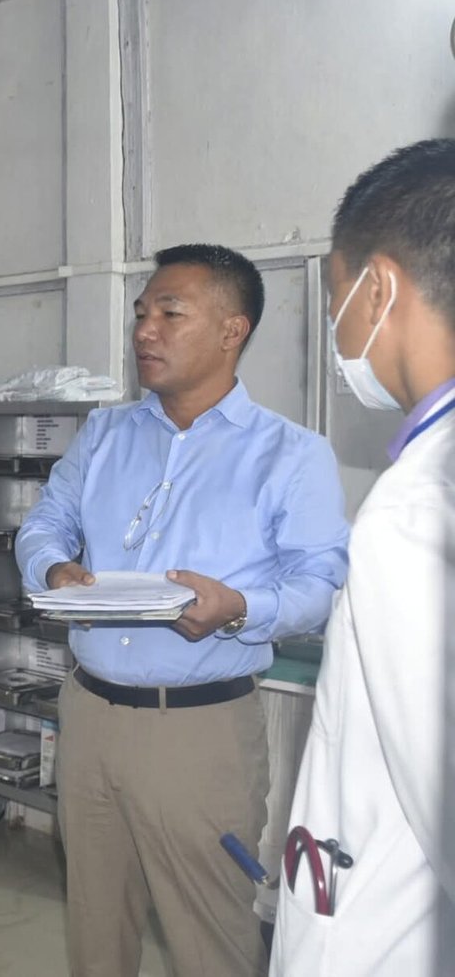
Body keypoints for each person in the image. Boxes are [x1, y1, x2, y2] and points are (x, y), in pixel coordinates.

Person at [15, 244, 351, 976]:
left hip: (200, 732)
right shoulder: (105, 433)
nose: (145, 330)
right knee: (96, 932)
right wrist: (53, 566)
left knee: (211, 942)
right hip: (90, 718)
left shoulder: (290, 455)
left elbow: (323, 585)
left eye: (171, 313)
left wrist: (238, 608)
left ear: (232, 330)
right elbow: (44, 522)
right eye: (142, 313)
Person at [270, 140, 455, 975]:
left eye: (336, 301)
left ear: (379, 289)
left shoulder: (415, 511)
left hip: (384, 935)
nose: (337, 331)